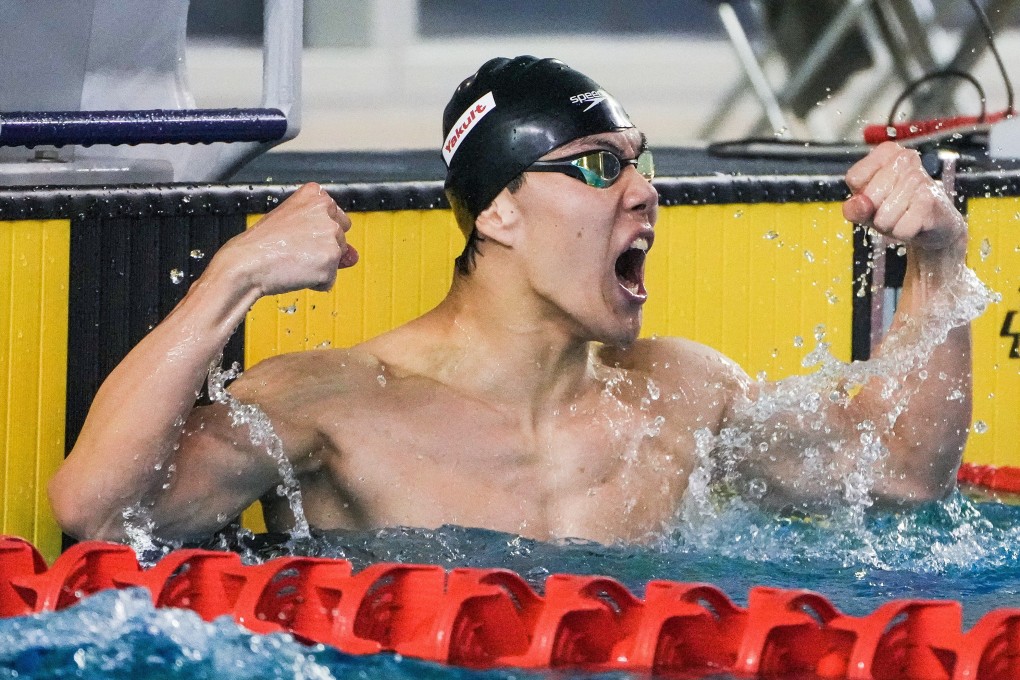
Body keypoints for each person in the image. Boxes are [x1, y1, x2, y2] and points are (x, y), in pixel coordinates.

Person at [49, 56, 972, 545]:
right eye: (599, 167)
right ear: (497, 210)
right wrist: (233, 276)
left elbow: (901, 477)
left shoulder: (681, 396)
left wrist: (939, 253)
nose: (644, 191)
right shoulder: (330, 409)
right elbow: (100, 515)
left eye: (640, 162)